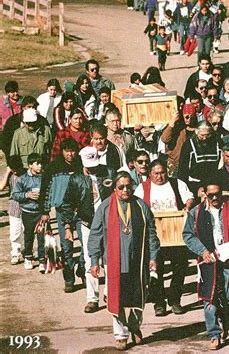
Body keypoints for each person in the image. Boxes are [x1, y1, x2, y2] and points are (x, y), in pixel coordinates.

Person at [88, 171, 160, 350]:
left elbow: (152, 233)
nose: (126, 190)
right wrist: (95, 261)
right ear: (114, 188)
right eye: (121, 187)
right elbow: (95, 235)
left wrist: (153, 256)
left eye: (129, 186)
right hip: (114, 262)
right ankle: (121, 335)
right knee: (116, 297)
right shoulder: (105, 207)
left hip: (138, 260)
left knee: (139, 296)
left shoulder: (141, 205)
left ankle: (134, 326)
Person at [182, 181, 229, 350]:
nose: (215, 198)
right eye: (211, 195)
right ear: (204, 194)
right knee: (209, 298)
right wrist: (202, 251)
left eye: (218, 193)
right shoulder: (196, 213)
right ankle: (214, 334)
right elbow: (188, 235)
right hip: (208, 258)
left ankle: (225, 322)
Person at [135, 159, 193, 316]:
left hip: (176, 234)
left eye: (162, 173)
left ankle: (175, 300)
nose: (160, 176)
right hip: (154, 235)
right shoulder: (143, 188)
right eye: (156, 173)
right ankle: (159, 303)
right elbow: (136, 206)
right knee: (155, 270)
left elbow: (189, 197)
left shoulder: (177, 183)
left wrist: (187, 207)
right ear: (150, 174)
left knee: (180, 268)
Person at [62, 146, 115, 313]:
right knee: (89, 260)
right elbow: (67, 203)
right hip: (87, 224)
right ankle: (92, 298)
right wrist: (67, 226)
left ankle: (110, 293)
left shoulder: (109, 173)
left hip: (109, 223)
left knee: (109, 260)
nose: (92, 169)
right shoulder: (76, 179)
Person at [38, 138, 82, 292]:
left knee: (87, 244)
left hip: (81, 210)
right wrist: (44, 211)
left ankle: (82, 268)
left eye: (73, 150)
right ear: (62, 151)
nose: (70, 154)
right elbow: (45, 190)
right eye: (67, 151)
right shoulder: (52, 167)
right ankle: (69, 279)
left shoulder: (81, 165)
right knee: (67, 246)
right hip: (63, 211)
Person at [11, 153, 44, 272]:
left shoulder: (44, 178)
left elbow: (49, 192)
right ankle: (28, 257)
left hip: (40, 212)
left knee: (42, 237)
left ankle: (42, 260)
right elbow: (14, 195)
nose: (40, 166)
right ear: (30, 165)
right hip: (28, 212)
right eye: (37, 163)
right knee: (29, 236)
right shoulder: (22, 179)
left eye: (41, 163)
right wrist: (27, 195)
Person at [178, 121, 221, 196]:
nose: (205, 138)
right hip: (194, 184)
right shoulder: (188, 145)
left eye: (208, 135)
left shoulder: (217, 142)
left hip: (213, 184)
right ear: (196, 132)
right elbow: (182, 169)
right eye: (202, 135)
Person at [0, 155, 25, 265]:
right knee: (14, 232)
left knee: (26, 231)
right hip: (14, 205)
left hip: (26, 205)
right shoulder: (10, 174)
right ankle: (15, 253)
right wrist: (7, 172)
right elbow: (1, 187)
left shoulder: (26, 173)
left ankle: (26, 251)